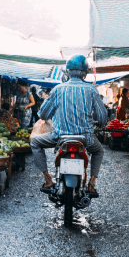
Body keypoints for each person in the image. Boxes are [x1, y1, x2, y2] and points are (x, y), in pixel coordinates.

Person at [32, 55, 108, 197]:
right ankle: (92, 184)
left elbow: (43, 114)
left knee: (35, 142)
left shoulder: (58, 89)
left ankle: (48, 180)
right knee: (98, 151)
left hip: (60, 136)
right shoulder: (92, 90)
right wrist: (100, 122)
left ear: (67, 72)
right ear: (85, 72)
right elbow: (102, 117)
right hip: (86, 138)